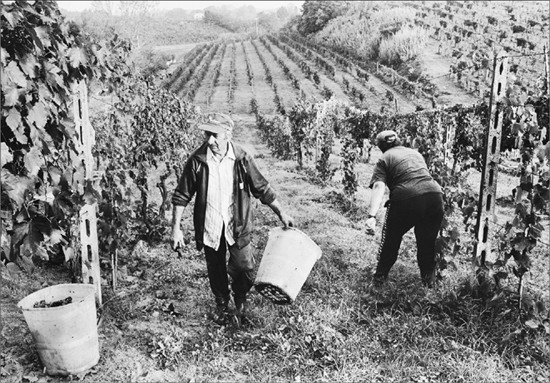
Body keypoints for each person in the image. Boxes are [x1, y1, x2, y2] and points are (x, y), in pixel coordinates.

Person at [171, 113, 294, 325]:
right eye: (207, 135)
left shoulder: (241, 158)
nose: (210, 141)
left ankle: (240, 302)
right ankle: (221, 304)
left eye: (215, 135)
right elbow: (182, 195)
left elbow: (262, 188)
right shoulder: (197, 161)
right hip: (210, 224)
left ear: (228, 134)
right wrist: (176, 229)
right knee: (215, 267)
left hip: (237, 225)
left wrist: (281, 212)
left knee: (244, 265)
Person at [366, 130, 444, 288]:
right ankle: (429, 282)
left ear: (381, 146)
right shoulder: (415, 154)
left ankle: (379, 279)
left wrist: (372, 215)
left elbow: (379, 185)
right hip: (434, 196)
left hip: (406, 198)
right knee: (427, 242)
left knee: (391, 239)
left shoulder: (384, 158)